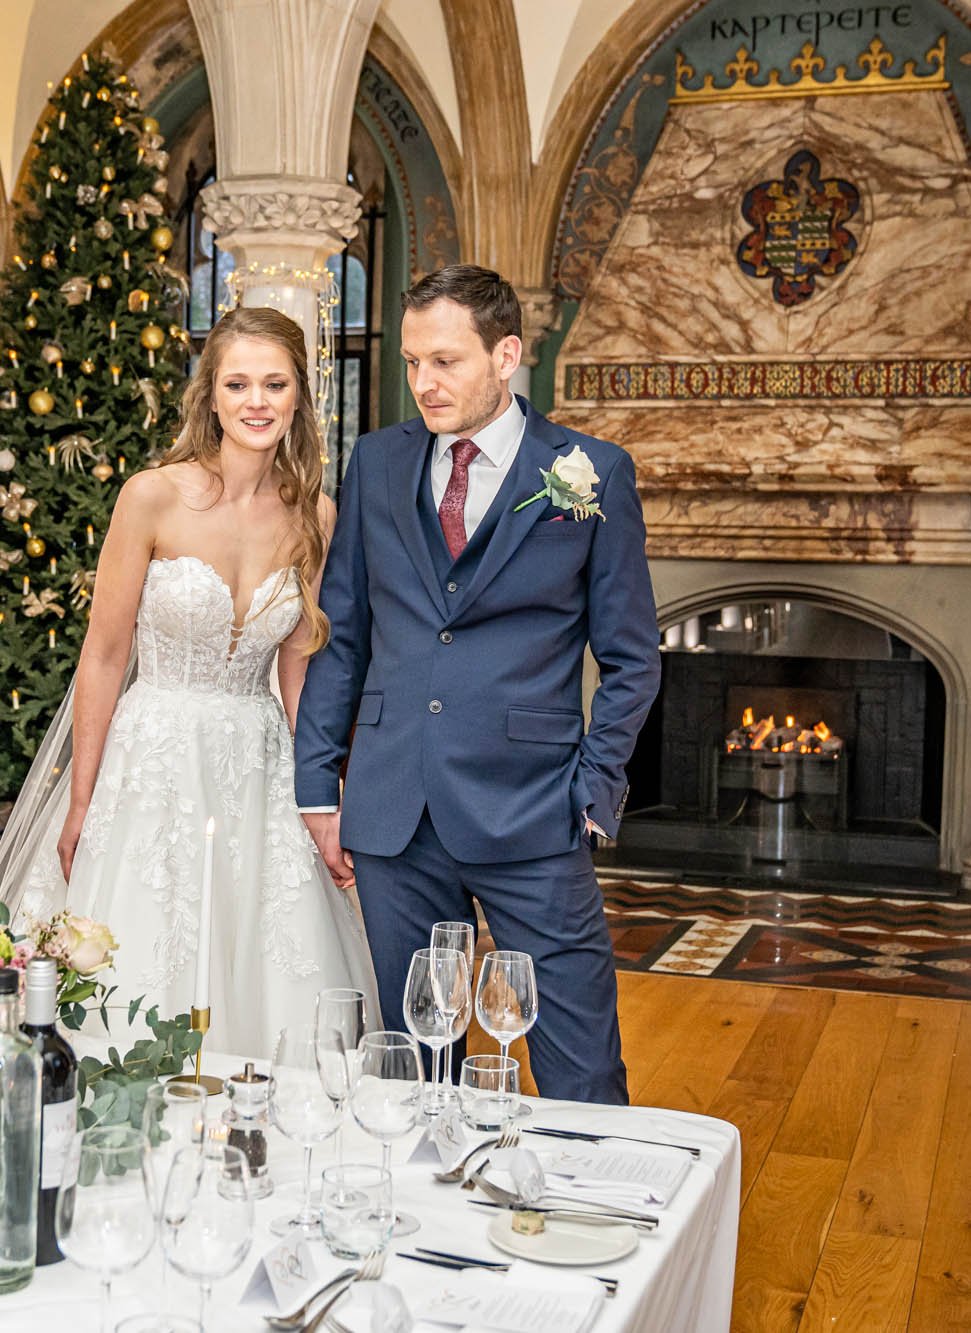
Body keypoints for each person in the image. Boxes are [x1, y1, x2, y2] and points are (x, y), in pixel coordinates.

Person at [295, 264, 661, 1105]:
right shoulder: (379, 462)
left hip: (534, 807)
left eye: (446, 362)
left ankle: (583, 1216)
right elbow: (341, 635)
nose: (424, 382)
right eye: (414, 362)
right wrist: (319, 786)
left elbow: (634, 655)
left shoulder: (591, 472)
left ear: (507, 355)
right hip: (392, 808)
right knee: (418, 1065)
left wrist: (594, 790)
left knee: (580, 1062)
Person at [0, 305, 376, 1058]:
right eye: (238, 383)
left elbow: (297, 665)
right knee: (138, 951)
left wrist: (316, 791)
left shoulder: (314, 515)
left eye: (274, 383)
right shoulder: (151, 496)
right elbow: (102, 654)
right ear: (212, 396)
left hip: (258, 762)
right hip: (153, 757)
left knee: (265, 949)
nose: (257, 401)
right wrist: (84, 800)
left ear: (298, 397)